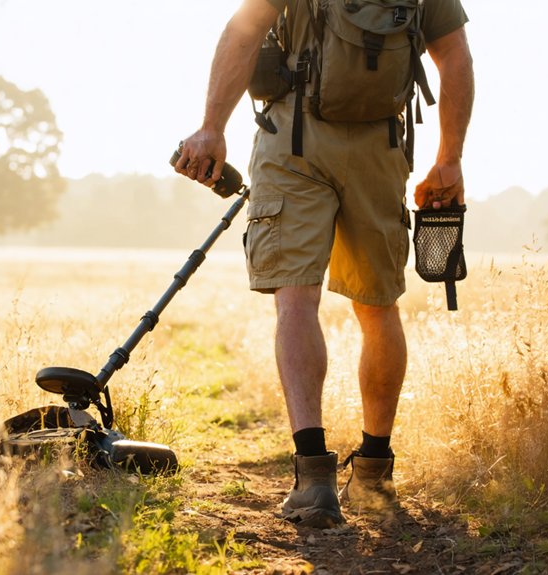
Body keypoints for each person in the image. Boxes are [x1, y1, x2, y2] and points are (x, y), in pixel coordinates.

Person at [175, 0, 473, 528]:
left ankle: (314, 480)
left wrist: (211, 128)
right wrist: (449, 158)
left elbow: (245, 30)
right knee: (378, 306)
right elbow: (454, 56)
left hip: (294, 141)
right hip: (381, 148)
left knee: (295, 297)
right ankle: (375, 472)